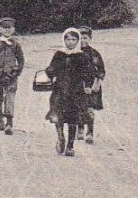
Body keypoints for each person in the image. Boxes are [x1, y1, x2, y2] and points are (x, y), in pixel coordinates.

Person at [44, 28, 91, 157]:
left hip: (75, 91)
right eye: (68, 39)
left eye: (73, 40)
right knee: (58, 115)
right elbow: (51, 68)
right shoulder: (59, 54)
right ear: (64, 40)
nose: (70, 42)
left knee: (73, 118)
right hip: (60, 89)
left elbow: (88, 73)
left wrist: (87, 85)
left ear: (78, 41)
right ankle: (61, 138)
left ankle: (70, 146)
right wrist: (50, 73)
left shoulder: (82, 56)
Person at [0, 17, 24, 135]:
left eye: (10, 28)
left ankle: (9, 122)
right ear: (0, 29)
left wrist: (17, 71)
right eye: (4, 28)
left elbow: (21, 59)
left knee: (10, 96)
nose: (7, 30)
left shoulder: (16, 45)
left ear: (14, 29)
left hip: (11, 75)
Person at [78, 26, 105, 145]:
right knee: (78, 107)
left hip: (91, 84)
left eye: (85, 38)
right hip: (78, 84)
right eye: (80, 38)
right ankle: (80, 128)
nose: (83, 40)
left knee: (89, 108)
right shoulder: (75, 52)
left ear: (90, 39)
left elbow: (101, 69)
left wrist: (97, 82)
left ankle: (90, 132)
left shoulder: (94, 54)